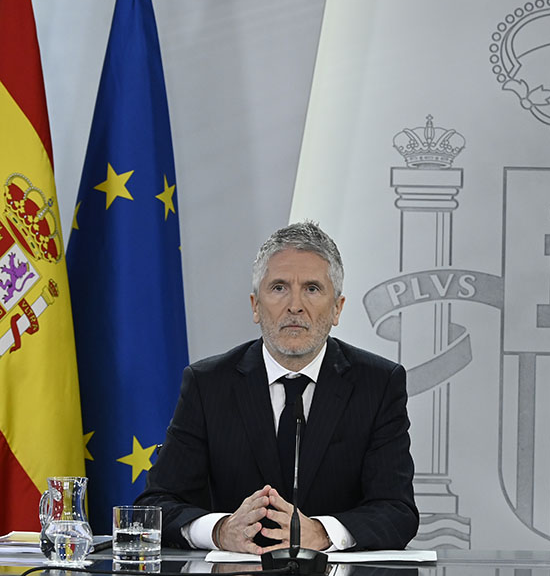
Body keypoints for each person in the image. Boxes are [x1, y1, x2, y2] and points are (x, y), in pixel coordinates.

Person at [138, 222, 419, 552]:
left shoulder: (378, 384)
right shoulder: (208, 384)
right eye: (279, 287)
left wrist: (322, 533)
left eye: (312, 288)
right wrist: (221, 531)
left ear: (337, 308)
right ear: (256, 306)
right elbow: (156, 505)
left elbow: (397, 511)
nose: (295, 305)